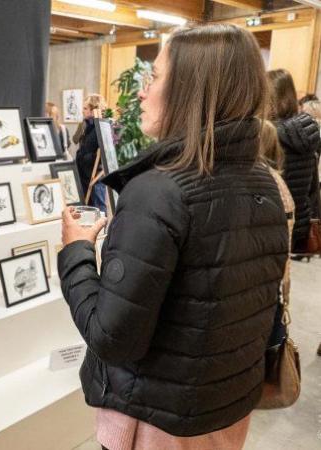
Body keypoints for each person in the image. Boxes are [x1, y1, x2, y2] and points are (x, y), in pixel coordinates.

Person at [58, 24, 288, 450]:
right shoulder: (263, 181)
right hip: (226, 411)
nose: (142, 92)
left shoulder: (158, 192)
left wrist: (75, 251)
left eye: (156, 77)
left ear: (189, 89)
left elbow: (113, 337)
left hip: (155, 425)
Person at [267, 69, 321, 253]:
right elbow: (313, 187)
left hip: (272, 219)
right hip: (299, 219)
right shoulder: (308, 135)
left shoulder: (270, 134)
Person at [73, 94, 107, 209]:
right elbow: (75, 140)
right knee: (88, 208)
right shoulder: (87, 125)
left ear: (94, 110)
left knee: (98, 207)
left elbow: (100, 153)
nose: (82, 111)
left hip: (95, 175)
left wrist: (87, 158)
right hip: (85, 172)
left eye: (85, 108)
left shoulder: (101, 126)